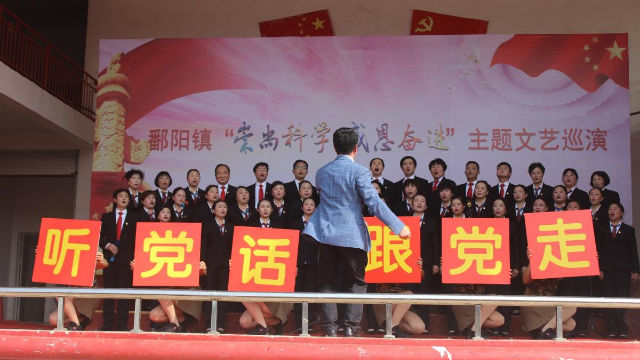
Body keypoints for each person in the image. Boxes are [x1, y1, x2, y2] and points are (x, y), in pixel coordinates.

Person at [302, 127, 410, 337]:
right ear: (355, 148)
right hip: (351, 234)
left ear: (334, 147)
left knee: (326, 282)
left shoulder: (322, 171)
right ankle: (351, 326)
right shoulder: (359, 171)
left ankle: (329, 328)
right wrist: (398, 226)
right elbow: (373, 202)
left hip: (325, 233)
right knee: (357, 282)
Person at [521, 202, 577, 339]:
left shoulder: (558, 261)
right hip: (533, 303)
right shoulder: (535, 257)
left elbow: (562, 277)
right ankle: (545, 330)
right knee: (572, 307)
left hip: (548, 303)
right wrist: (532, 260)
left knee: (571, 324)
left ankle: (544, 330)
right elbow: (525, 280)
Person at [598, 202, 639, 338]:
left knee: (623, 297)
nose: (612, 211)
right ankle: (611, 328)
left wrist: (635, 270)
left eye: (615, 209)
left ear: (621, 213)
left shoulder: (628, 230)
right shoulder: (602, 229)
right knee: (609, 298)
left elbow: (633, 251)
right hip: (607, 270)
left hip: (623, 270)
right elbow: (599, 250)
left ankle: (621, 328)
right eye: (610, 209)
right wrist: (599, 269)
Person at [99, 189, 137, 331]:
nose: (124, 198)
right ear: (115, 199)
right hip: (109, 261)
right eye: (121, 196)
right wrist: (108, 245)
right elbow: (100, 236)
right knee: (108, 293)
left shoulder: (134, 218)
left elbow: (136, 239)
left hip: (126, 261)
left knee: (124, 295)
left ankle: (122, 325)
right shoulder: (106, 217)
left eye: (126, 197)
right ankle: (107, 324)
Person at [48, 251, 109, 330]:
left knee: (61, 294)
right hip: (71, 293)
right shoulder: (62, 248)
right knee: (53, 319)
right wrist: (42, 254)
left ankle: (75, 325)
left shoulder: (87, 246)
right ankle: (80, 320)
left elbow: (105, 264)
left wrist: (101, 259)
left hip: (87, 292)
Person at [201, 200, 233, 332]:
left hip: (226, 266)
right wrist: (202, 262)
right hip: (210, 265)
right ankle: (209, 323)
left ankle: (221, 323)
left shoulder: (231, 226)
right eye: (219, 207)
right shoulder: (207, 225)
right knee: (210, 294)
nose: (223, 209)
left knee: (223, 294)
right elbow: (203, 246)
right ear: (213, 210)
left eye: (225, 207)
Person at [289, 197, 320, 332]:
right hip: (298, 265)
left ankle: (310, 324)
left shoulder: (319, 224)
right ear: (302, 208)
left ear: (315, 208)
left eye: (311, 204)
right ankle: (299, 324)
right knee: (299, 294)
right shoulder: (294, 224)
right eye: (306, 204)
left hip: (314, 265)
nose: (309, 206)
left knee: (311, 294)